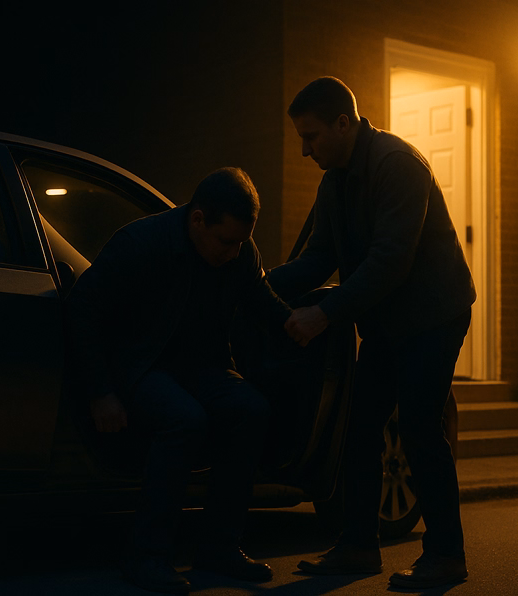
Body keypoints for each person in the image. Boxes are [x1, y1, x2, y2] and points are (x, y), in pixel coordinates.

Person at [267, 77, 476, 589]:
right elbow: (318, 257)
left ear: (344, 123)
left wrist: (326, 313)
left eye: (311, 136)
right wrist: (257, 289)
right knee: (359, 429)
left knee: (419, 426)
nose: (303, 149)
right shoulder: (333, 181)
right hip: (387, 321)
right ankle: (359, 547)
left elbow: (390, 261)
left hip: (434, 316)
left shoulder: (397, 164)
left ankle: (447, 554)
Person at [65, 167, 292, 595]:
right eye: (227, 242)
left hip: (200, 368)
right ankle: (146, 556)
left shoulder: (240, 251)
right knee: (184, 419)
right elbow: (83, 309)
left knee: (250, 409)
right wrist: (100, 392)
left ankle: (220, 547)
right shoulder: (140, 243)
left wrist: (299, 322)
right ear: (198, 219)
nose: (234, 252)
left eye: (242, 242)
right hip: (137, 366)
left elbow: (262, 301)